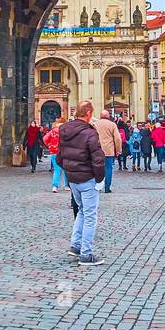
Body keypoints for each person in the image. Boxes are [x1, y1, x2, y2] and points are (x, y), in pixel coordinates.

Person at [56, 101, 105, 266]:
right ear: (89, 113)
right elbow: (98, 158)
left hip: (73, 179)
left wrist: (69, 171)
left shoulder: (64, 130)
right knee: (90, 215)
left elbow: (59, 157)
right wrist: (99, 179)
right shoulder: (90, 133)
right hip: (88, 178)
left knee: (82, 211)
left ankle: (75, 245)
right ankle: (86, 254)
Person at [95, 111, 123, 194]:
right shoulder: (112, 125)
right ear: (108, 116)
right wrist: (118, 150)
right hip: (108, 151)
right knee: (108, 169)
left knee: (97, 169)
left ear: (100, 115)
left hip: (97, 150)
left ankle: (98, 187)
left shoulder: (95, 124)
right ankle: (107, 188)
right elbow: (117, 139)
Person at [43, 118, 64, 192]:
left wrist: (49, 145)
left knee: (57, 169)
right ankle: (67, 186)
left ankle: (55, 186)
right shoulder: (65, 131)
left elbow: (45, 139)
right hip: (63, 152)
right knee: (65, 169)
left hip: (54, 152)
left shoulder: (52, 132)